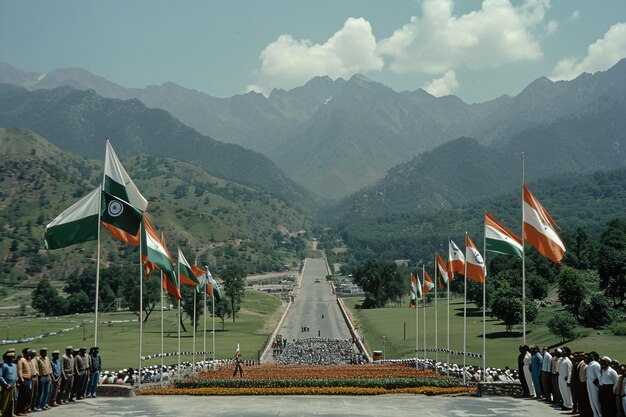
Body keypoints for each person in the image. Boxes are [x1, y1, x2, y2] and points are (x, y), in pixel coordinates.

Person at [0, 350, 18, 417]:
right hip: (7, 386)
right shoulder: (4, 365)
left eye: (14, 357)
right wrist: (6, 384)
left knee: (13, 399)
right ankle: (3, 413)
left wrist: (17, 381)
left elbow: (16, 375)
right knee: (5, 401)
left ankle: (11, 413)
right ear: (8, 358)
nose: (13, 358)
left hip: (14, 385)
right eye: (12, 357)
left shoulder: (15, 365)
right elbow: (0, 376)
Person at [16, 348, 32, 416]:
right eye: (28, 352)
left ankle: (24, 409)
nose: (30, 353)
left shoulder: (28, 360)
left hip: (29, 380)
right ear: (25, 353)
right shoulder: (21, 360)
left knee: (27, 396)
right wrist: (21, 378)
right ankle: (20, 410)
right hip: (24, 380)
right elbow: (20, 370)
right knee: (23, 396)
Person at [587, 351, 602, 417]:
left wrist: (599, 383)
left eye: (592, 356)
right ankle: (595, 414)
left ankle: (599, 414)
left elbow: (598, 375)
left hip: (594, 384)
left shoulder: (596, 364)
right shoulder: (590, 364)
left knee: (596, 400)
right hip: (589, 383)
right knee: (591, 400)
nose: (590, 357)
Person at [558, 347, 573, 411]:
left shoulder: (568, 361)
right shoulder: (562, 360)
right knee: (562, 391)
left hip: (565, 379)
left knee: (567, 393)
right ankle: (565, 403)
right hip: (560, 377)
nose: (562, 352)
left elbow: (569, 372)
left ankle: (569, 405)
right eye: (562, 351)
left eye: (564, 351)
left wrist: (568, 381)